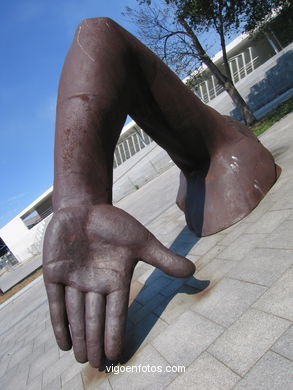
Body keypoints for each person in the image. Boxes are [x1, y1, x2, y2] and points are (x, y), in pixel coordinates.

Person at [43, 17, 277, 369]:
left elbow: (100, 35)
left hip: (232, 164)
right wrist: (79, 199)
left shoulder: (231, 156)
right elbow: (103, 43)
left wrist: (79, 196)